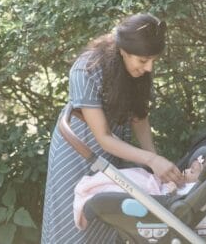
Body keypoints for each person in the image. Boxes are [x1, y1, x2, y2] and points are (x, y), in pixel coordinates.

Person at [41, 13, 183, 243]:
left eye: (153, 61)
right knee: (73, 226)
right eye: (144, 60)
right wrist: (150, 160)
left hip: (111, 152)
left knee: (108, 220)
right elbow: (103, 137)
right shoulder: (87, 68)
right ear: (123, 50)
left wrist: (155, 166)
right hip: (77, 151)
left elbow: (139, 118)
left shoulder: (137, 70)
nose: (149, 68)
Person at [72, 155, 206, 230]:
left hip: (159, 199)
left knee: (129, 186)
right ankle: (96, 185)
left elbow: (181, 202)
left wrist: (173, 191)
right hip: (155, 186)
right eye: (189, 168)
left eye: (192, 171)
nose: (187, 170)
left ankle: (99, 190)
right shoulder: (185, 184)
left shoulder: (194, 188)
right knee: (134, 176)